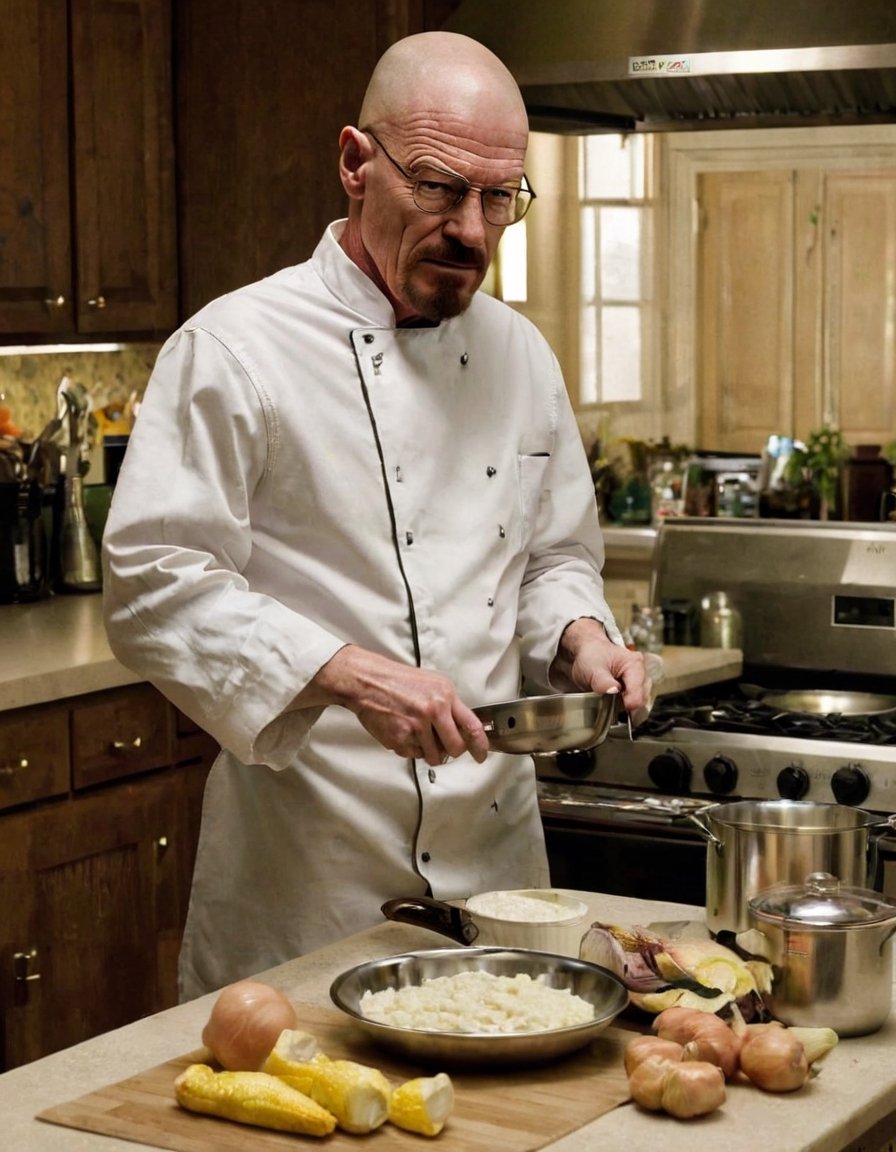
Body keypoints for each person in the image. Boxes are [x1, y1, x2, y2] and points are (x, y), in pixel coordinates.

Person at [102, 30, 648, 1001]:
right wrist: (352, 678)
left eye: (498, 198)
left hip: (498, 883)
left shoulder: (522, 357)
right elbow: (153, 583)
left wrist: (580, 637)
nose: (472, 232)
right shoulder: (233, 351)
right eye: (440, 188)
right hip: (309, 888)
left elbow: (550, 556)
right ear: (356, 164)